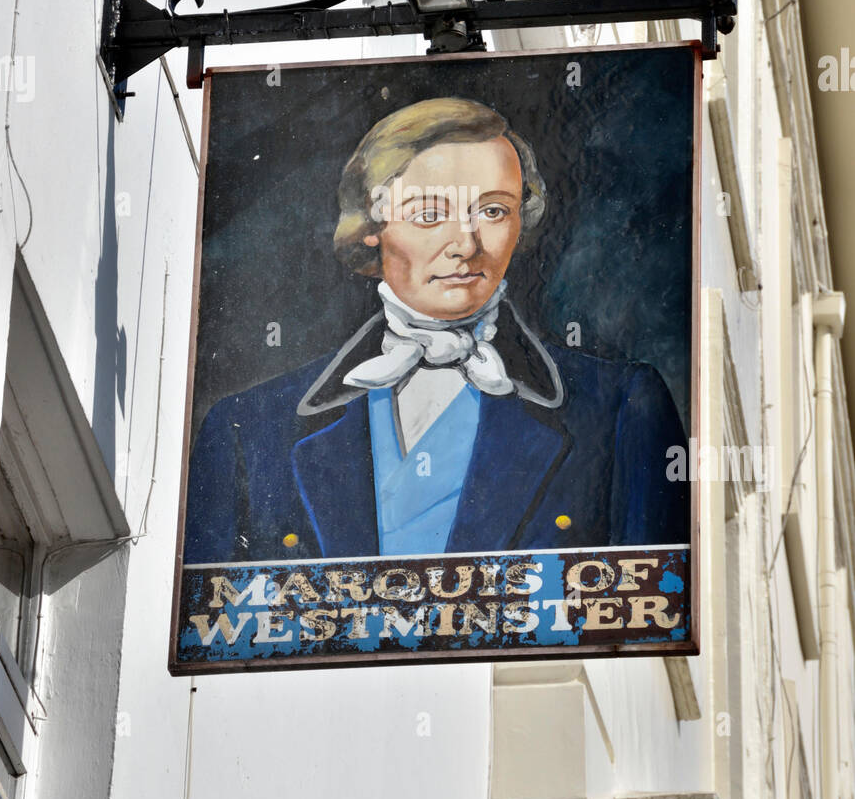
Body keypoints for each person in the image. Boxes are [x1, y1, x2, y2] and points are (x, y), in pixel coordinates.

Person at [184, 96, 688, 563]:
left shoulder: (619, 408)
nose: (465, 245)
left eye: (492, 211)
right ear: (372, 225)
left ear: (521, 221)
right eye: (429, 214)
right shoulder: (246, 429)